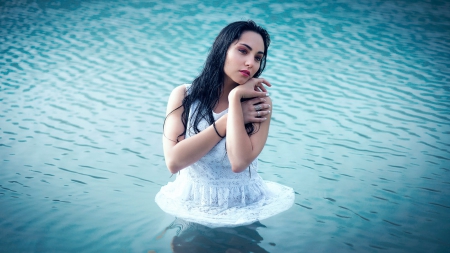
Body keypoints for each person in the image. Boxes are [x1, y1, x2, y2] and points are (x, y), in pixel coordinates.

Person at [155, 20, 294, 228]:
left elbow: (239, 163)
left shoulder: (259, 103)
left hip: (243, 206)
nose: (250, 63)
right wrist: (228, 119)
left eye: (258, 58)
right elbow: (174, 162)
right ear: (222, 50)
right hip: (193, 200)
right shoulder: (184, 95)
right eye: (243, 51)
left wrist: (236, 98)